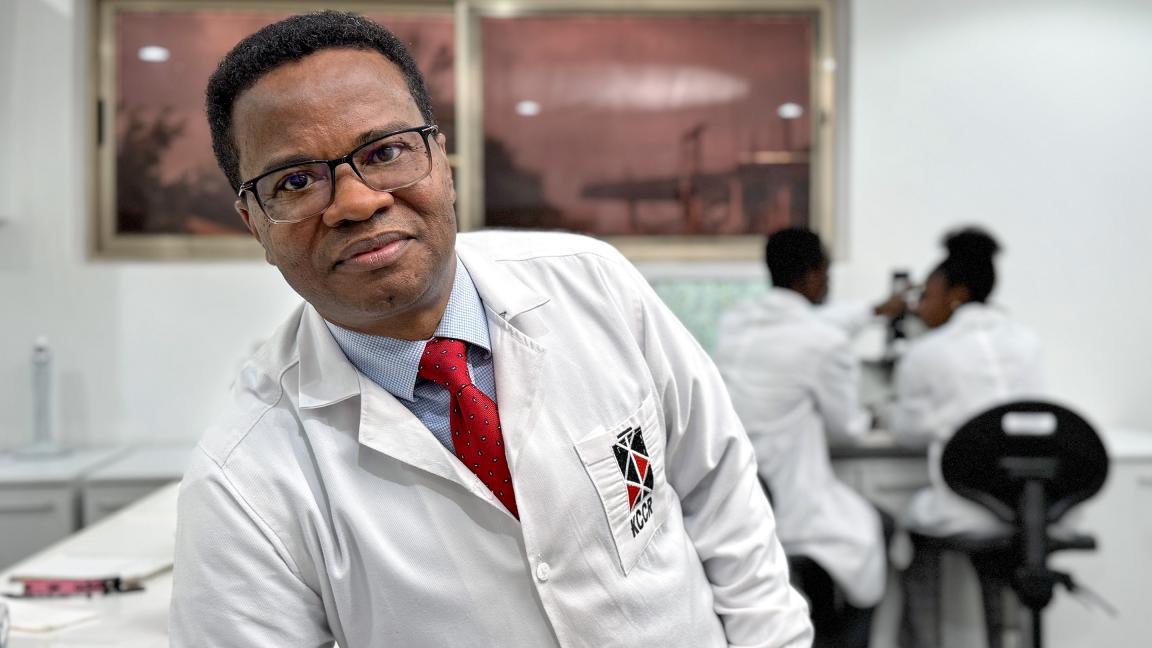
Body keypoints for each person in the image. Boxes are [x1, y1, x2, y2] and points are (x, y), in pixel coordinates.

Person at [168, 11, 813, 648]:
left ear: (440, 156)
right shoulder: (242, 480)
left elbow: (721, 493)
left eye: (386, 151)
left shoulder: (593, 286)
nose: (358, 202)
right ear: (255, 221)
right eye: (297, 180)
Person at [713, 227, 902, 648]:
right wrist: (872, 413)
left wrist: (874, 311)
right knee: (876, 532)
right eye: (827, 272)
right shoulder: (823, 341)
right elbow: (847, 428)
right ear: (813, 275)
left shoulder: (735, 327)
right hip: (796, 505)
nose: (830, 282)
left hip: (742, 499)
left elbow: (807, 327)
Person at [888, 227, 1044, 648]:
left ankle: (925, 640)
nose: (922, 306)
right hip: (1029, 506)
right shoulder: (1028, 342)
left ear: (956, 294)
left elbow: (907, 434)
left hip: (966, 506)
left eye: (930, 295)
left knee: (913, 531)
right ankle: (1004, 637)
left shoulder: (926, 354)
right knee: (998, 551)